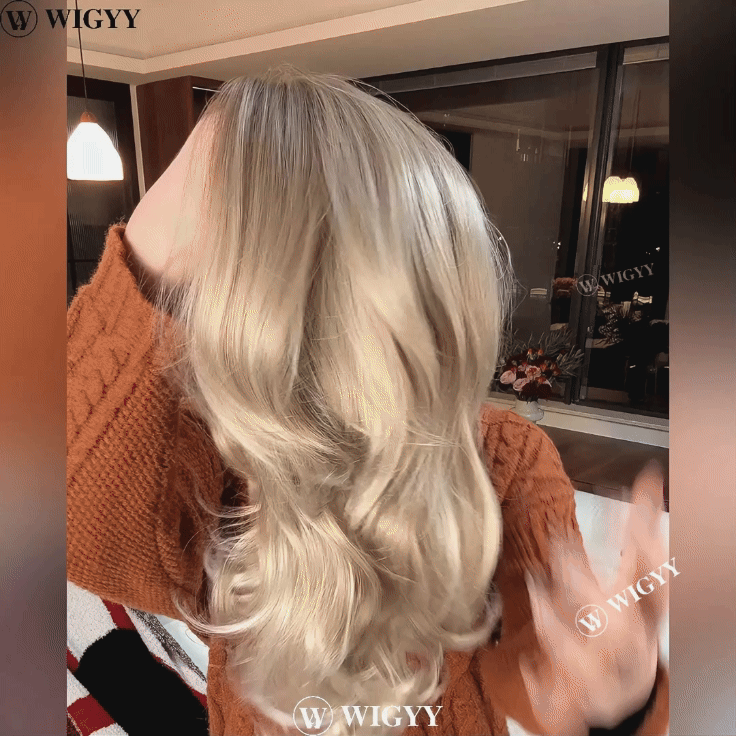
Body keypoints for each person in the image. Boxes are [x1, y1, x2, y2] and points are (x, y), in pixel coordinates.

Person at [67, 67, 669, 736]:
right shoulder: (231, 458)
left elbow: (537, 674)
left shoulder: (506, 457)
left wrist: (617, 699)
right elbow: (72, 514)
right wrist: (225, 149)